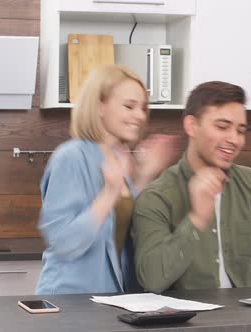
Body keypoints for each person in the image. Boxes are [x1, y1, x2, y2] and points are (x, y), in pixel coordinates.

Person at [134, 81, 251, 293]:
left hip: (250, 317)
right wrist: (196, 219)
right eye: (222, 127)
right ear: (191, 126)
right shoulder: (156, 197)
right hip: (190, 321)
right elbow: (152, 279)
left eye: (240, 130)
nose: (234, 139)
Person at [35, 64, 179, 295]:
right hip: (70, 302)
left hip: (111, 299)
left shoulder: (118, 158)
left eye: (143, 108)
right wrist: (110, 192)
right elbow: (64, 241)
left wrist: (143, 176)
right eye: (129, 106)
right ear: (100, 106)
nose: (140, 116)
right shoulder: (71, 156)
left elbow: (119, 230)